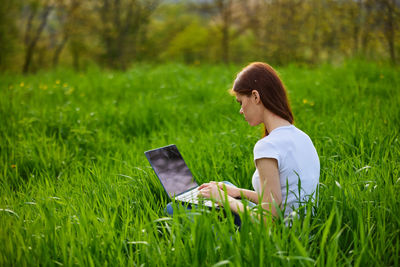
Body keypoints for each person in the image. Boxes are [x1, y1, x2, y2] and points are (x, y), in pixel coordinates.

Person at [197, 62, 320, 221]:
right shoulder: (302, 137)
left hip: (279, 236)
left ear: (255, 96)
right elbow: (280, 199)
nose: (241, 110)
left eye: (241, 102)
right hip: (303, 230)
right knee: (226, 186)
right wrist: (238, 193)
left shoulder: (268, 146)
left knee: (173, 208)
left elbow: (268, 218)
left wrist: (224, 199)